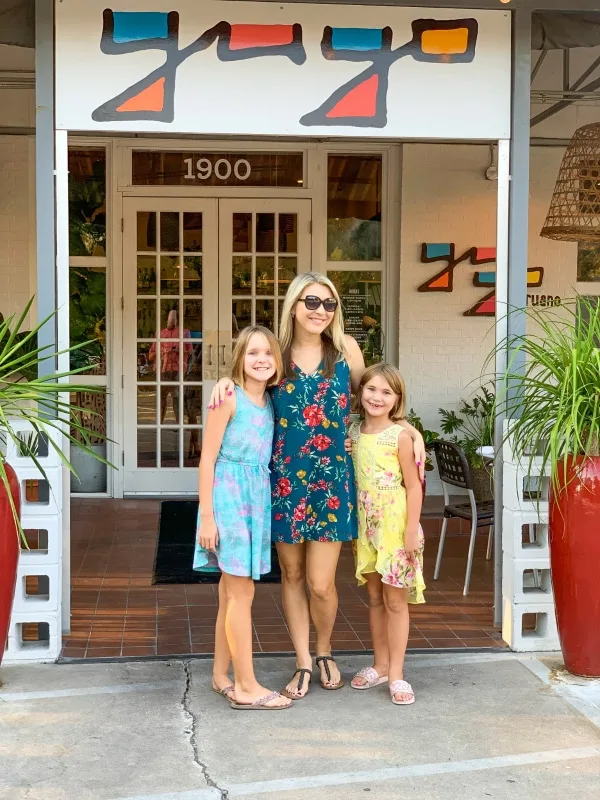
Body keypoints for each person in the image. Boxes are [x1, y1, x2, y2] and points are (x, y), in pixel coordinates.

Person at [209, 272, 426, 700]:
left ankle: (325, 649)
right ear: (294, 305)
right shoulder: (277, 353)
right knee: (290, 573)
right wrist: (223, 382)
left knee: (321, 582)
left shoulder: (345, 350)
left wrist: (408, 428)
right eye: (311, 301)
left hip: (331, 478)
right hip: (285, 478)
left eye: (328, 304)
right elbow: (246, 383)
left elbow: (373, 400)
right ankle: (305, 660)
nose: (319, 311)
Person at [194, 326, 291, 710]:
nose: (261, 359)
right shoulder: (228, 397)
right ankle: (247, 686)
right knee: (241, 592)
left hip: (257, 497)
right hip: (229, 498)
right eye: (252, 353)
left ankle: (222, 676)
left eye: (268, 352)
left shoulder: (269, 400)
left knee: (228, 594)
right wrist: (206, 517)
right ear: (239, 358)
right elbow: (207, 458)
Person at [348, 364, 425, 705]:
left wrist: (411, 530)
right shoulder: (353, 431)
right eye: (371, 389)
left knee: (395, 601)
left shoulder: (401, 436)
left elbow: (415, 486)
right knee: (376, 598)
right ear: (360, 391)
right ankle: (379, 664)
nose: (377, 397)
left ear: (397, 399)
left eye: (386, 392)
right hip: (367, 526)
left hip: (394, 525)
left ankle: (397, 673)